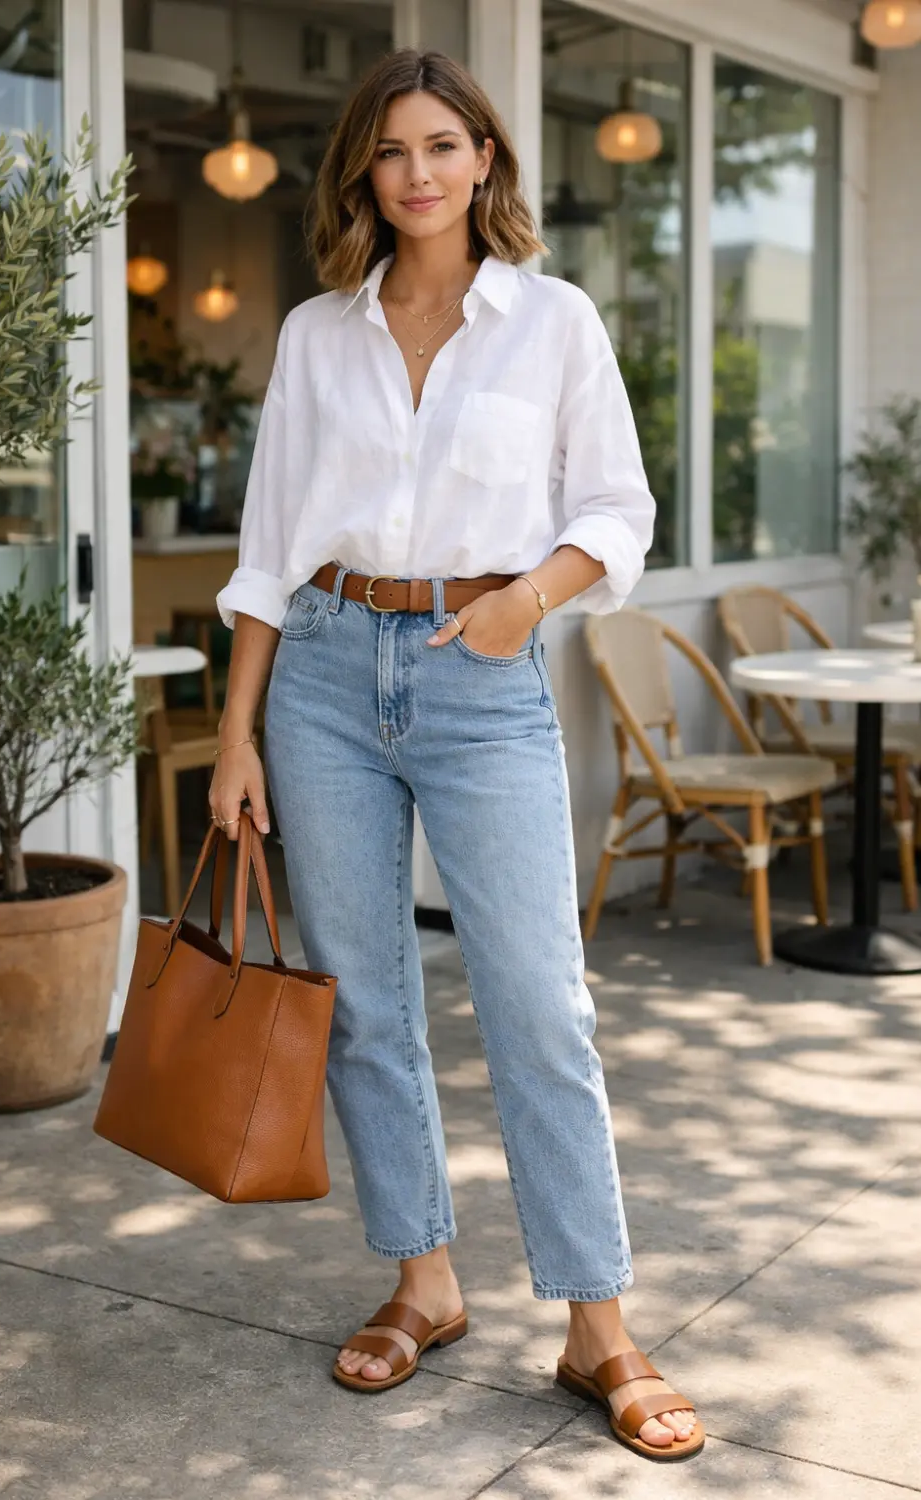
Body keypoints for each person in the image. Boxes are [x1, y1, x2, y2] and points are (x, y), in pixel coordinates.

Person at [209, 48, 703, 1462]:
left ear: (486, 160)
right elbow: (266, 553)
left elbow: (618, 509)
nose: (417, 172)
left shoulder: (551, 323)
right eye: (391, 151)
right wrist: (237, 733)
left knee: (539, 1004)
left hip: (481, 674)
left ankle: (597, 1322)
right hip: (317, 674)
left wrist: (521, 608)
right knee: (365, 1001)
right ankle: (425, 1278)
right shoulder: (317, 333)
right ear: (364, 173)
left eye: (443, 145)